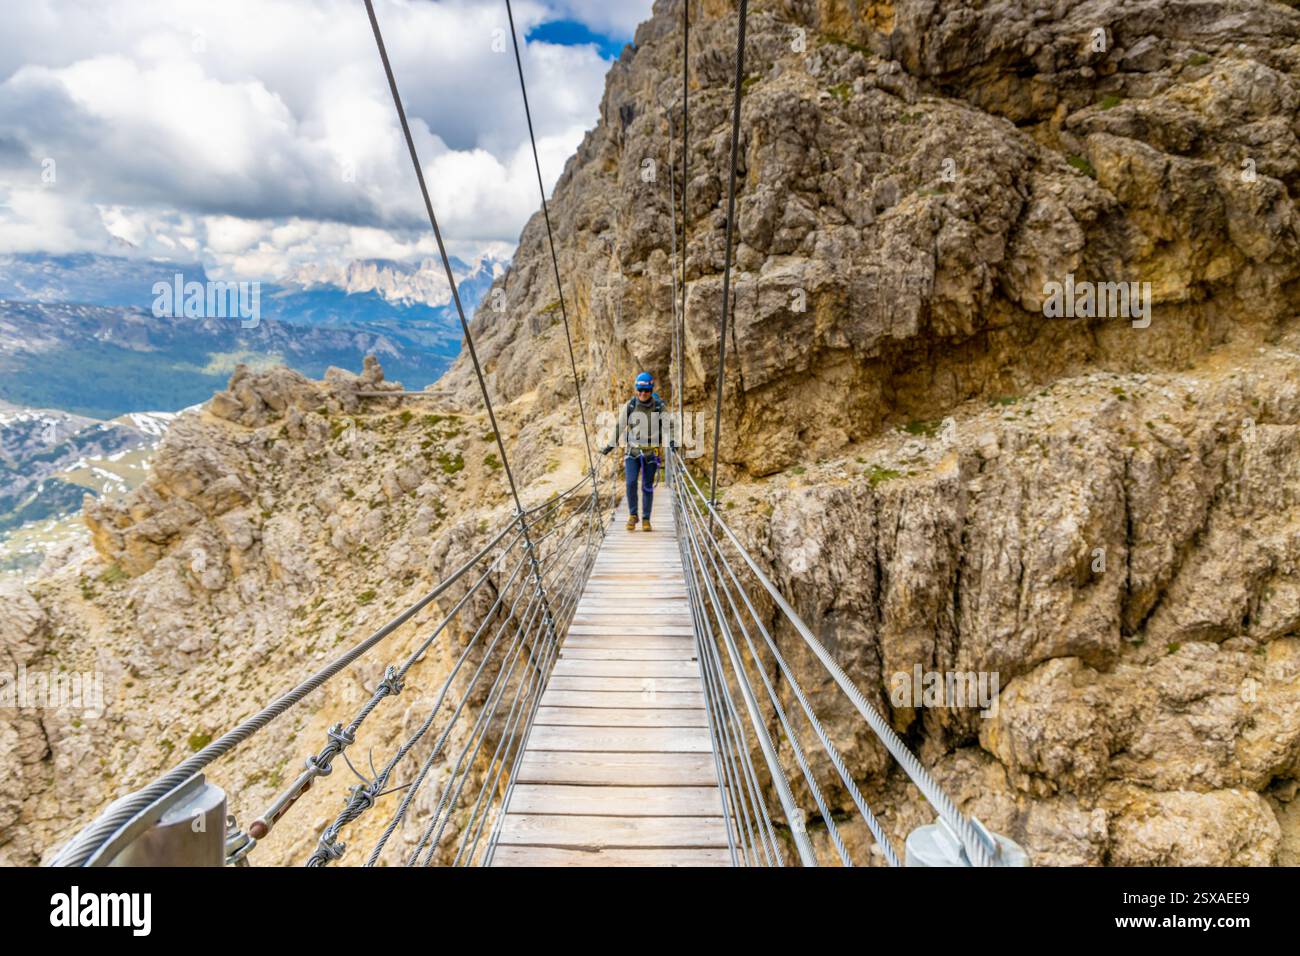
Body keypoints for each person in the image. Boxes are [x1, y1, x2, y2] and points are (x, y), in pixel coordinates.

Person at [601, 371, 673, 531]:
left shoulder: (659, 406)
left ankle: (646, 519)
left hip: (651, 453)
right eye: (640, 391)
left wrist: (673, 440)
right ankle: (633, 515)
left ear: (651, 390)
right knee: (631, 482)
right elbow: (620, 425)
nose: (643, 394)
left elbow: (669, 426)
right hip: (632, 452)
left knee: (647, 486)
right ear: (636, 390)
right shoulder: (631, 405)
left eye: (646, 391)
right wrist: (611, 444)